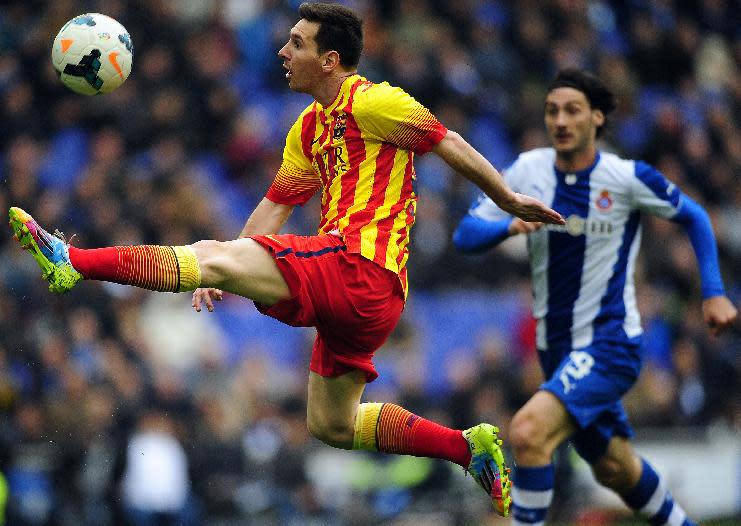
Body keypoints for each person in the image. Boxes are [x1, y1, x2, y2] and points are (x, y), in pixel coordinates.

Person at [8, 2, 565, 517]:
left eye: (295, 43)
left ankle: (72, 260)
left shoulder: (376, 102)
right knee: (332, 425)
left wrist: (508, 200)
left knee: (209, 255)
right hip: (367, 300)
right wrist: (226, 267)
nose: (282, 51)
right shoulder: (307, 130)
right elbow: (275, 207)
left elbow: (450, 142)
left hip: (359, 265)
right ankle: (467, 448)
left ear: (329, 60)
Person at [453, 68, 737, 526]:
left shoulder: (624, 177)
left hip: (609, 343)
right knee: (614, 467)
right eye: (552, 111)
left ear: (597, 119)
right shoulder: (528, 171)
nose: (560, 120)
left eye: (572, 110)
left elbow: (696, 217)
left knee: (527, 432)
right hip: (556, 350)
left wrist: (714, 293)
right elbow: (465, 235)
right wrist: (509, 223)